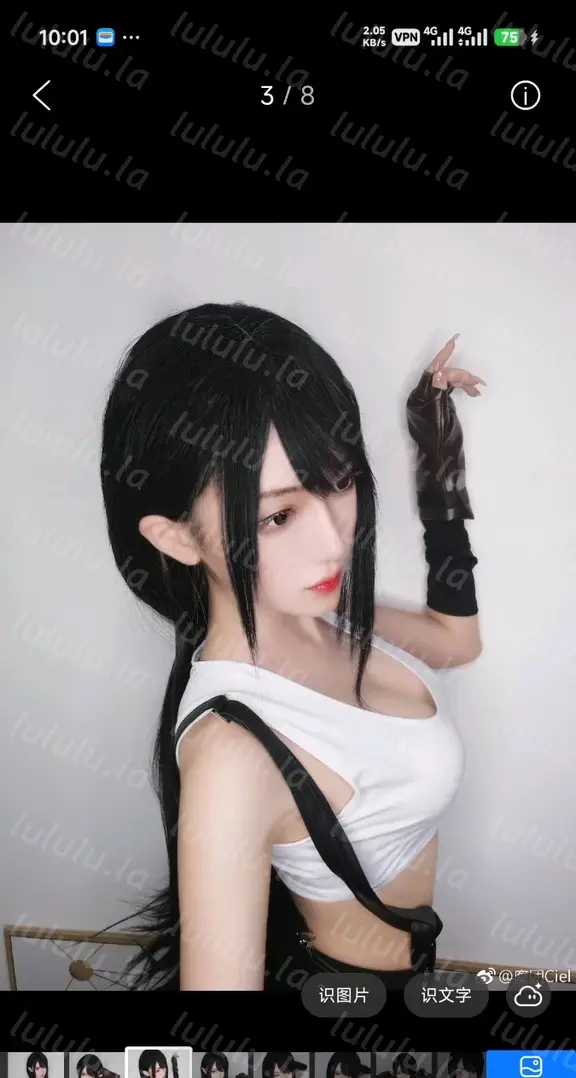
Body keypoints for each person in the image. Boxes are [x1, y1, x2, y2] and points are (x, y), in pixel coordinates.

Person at [100, 305, 483, 990]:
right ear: (177, 538)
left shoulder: (323, 610)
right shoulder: (231, 753)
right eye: (277, 516)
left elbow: (456, 641)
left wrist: (437, 457)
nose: (335, 542)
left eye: (339, 481)